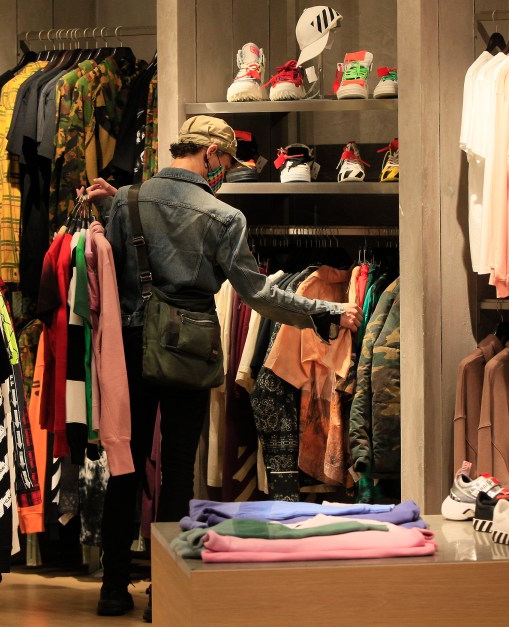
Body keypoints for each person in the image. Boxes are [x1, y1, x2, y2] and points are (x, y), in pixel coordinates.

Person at [86, 115, 361, 621]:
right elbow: (258, 295)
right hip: (188, 350)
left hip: (129, 347)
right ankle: (164, 593)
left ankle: (111, 589)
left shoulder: (125, 201)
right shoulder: (224, 216)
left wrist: (110, 205)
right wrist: (325, 310)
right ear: (211, 154)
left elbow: (109, 269)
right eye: (225, 162)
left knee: (124, 464)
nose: (225, 172)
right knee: (176, 468)